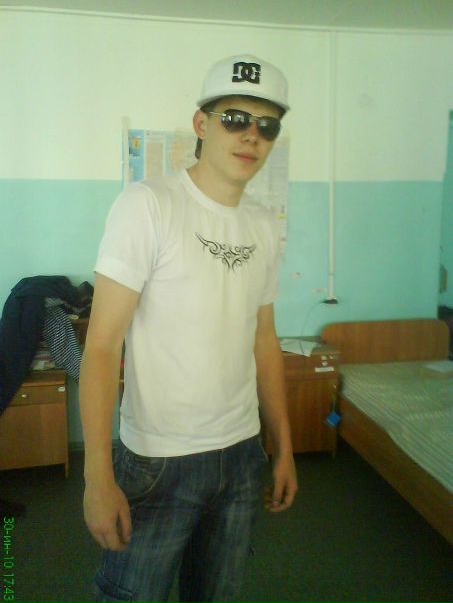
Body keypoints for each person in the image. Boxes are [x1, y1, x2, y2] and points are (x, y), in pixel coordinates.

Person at [79, 53, 298, 603]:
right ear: (202, 124)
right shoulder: (148, 205)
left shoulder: (263, 225)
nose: (251, 135)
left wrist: (284, 446)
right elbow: (101, 347)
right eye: (235, 119)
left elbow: (264, 341)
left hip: (242, 454)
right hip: (159, 459)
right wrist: (96, 477)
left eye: (267, 126)